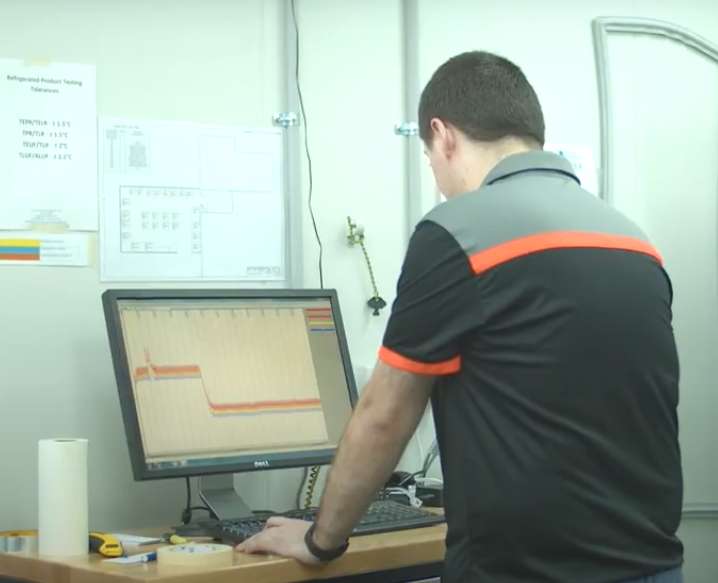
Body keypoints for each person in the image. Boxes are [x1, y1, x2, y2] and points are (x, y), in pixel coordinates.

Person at [236, 50, 684, 583]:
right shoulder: (631, 237)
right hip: (651, 565)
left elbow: (385, 414)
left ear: (442, 136)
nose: (438, 178)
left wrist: (320, 540)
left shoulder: (457, 231)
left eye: (430, 160)